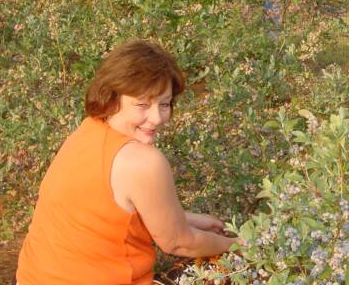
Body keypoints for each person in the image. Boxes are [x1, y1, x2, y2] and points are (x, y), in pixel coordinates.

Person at [16, 40, 237, 285]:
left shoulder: (88, 132)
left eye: (164, 104)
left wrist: (186, 219)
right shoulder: (142, 161)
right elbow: (179, 243)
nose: (157, 118)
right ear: (112, 98)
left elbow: (105, 216)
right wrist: (238, 245)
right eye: (142, 104)